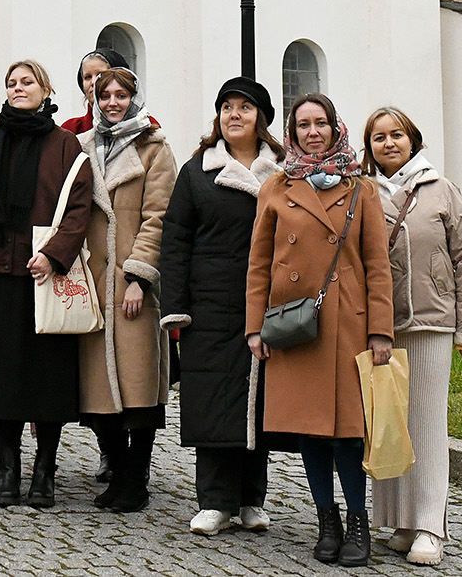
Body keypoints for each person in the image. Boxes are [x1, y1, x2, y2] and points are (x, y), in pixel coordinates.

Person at [247, 93, 392, 568]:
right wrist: (255, 329)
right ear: (292, 132)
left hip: (347, 323)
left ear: (335, 128)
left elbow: (377, 266)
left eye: (321, 123)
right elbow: (259, 265)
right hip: (294, 324)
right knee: (310, 431)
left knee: (348, 432)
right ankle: (325, 520)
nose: (313, 132)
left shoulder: (361, 188)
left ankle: (356, 521)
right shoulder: (276, 186)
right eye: (304, 124)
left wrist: (381, 333)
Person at [0, 58, 96, 510]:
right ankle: (11, 466)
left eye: (27, 82)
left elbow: (79, 210)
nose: (19, 88)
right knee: (1, 378)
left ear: (45, 88)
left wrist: (55, 255)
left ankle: (45, 469)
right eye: (13, 83)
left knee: (46, 379)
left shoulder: (65, 145)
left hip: (44, 277)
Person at [160, 76, 281, 536]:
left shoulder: (283, 171)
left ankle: (251, 498)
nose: (235, 114)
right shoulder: (197, 171)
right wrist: (175, 307)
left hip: (265, 305)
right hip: (208, 306)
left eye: (245, 108)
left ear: (261, 118)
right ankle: (213, 500)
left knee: (258, 402)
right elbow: (175, 240)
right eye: (227, 107)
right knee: (212, 401)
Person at [364, 106, 462, 567]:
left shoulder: (440, 189)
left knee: (428, 424)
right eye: (379, 138)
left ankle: (431, 525)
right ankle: (401, 520)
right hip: (381, 325)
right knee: (389, 423)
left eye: (397, 135)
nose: (389, 143)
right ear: (369, 147)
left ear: (413, 139)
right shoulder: (365, 192)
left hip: (432, 319)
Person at [75, 66, 173, 514]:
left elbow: (158, 217)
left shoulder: (155, 148)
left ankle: (136, 478)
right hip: (93, 281)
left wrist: (138, 276)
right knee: (98, 392)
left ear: (134, 97)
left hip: (133, 284)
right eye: (105, 94)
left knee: (138, 388)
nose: (112, 102)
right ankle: (115, 466)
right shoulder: (84, 148)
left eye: (121, 94)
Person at [60, 48, 125, 136]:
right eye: (87, 77)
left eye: (100, 75)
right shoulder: (71, 129)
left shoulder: (146, 126)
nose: (93, 82)